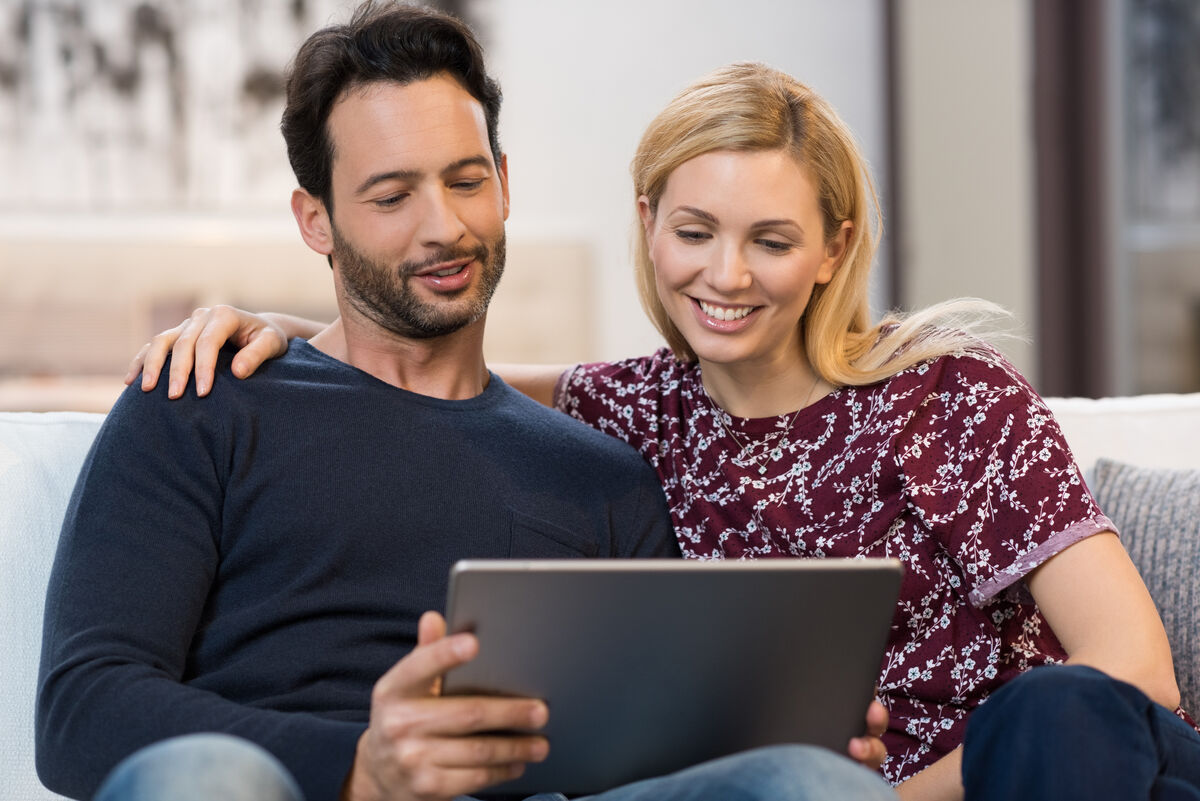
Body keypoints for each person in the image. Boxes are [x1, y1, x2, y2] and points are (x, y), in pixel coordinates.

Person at [135, 58, 1200, 800]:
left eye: (771, 241)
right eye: (695, 232)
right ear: (648, 227)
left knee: (1052, 712)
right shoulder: (630, 412)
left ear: (833, 248)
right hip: (797, 791)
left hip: (1043, 771)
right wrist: (282, 331)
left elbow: (1132, 671)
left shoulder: (949, 398)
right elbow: (428, 366)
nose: (725, 276)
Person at [35, 6, 896, 801]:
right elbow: (84, 706)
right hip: (297, 788)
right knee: (204, 777)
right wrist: (362, 767)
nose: (442, 225)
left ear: (506, 184)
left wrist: (791, 740)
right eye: (392, 195)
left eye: (465, 180)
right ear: (316, 220)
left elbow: (655, 754)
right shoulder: (202, 402)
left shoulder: (603, 473)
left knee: (813, 782)